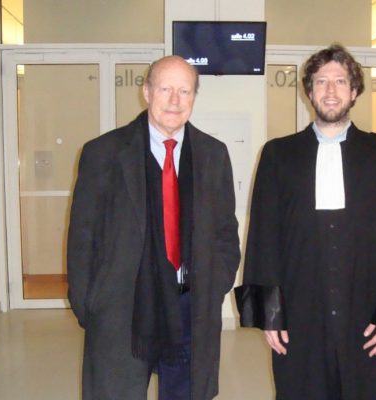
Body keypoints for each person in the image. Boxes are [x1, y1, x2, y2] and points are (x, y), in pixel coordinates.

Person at [234, 44, 376, 399]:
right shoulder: (279, 155)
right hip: (300, 312)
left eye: (340, 81)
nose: (330, 90)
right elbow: (264, 237)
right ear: (309, 91)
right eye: (321, 81)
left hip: (367, 309)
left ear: (354, 91)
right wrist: (271, 314)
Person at [67, 55, 240, 400]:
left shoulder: (214, 154)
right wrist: (90, 303)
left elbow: (225, 231)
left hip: (190, 307)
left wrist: (215, 285)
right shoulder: (103, 153)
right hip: (122, 308)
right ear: (146, 91)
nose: (175, 100)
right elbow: (82, 237)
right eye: (165, 89)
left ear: (194, 96)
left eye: (184, 91)